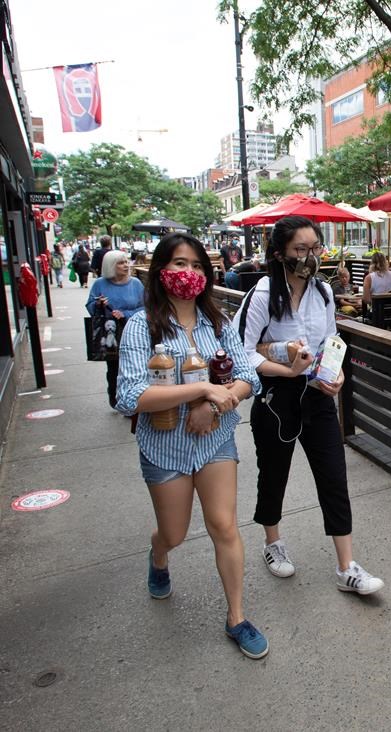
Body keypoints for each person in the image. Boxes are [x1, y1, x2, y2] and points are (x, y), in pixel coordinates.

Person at [115, 233, 268, 660]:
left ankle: (236, 617)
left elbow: (248, 377)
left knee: (224, 526)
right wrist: (200, 391)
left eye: (197, 265)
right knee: (175, 533)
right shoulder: (141, 326)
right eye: (180, 264)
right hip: (165, 445)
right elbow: (130, 396)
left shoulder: (218, 324)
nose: (189, 273)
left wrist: (214, 406)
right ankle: (158, 555)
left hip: (215, 440)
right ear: (161, 271)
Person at [235, 215, 384, 595]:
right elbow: (241, 351)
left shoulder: (323, 293)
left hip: (318, 396)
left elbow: (331, 340)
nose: (310, 256)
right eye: (300, 249)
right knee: (274, 474)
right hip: (276, 399)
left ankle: (346, 566)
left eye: (315, 247)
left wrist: (338, 373)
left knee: (334, 476)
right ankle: (272, 542)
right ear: (279, 253)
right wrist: (285, 370)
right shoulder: (263, 295)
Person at [87, 251, 145, 409]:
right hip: (110, 332)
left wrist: (126, 313)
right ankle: (114, 395)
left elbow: (145, 307)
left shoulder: (136, 284)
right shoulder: (100, 284)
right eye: (120, 263)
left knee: (135, 365)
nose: (126, 265)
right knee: (114, 367)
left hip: (133, 331)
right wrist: (98, 304)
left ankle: (133, 398)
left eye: (126, 262)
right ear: (110, 266)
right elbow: (90, 307)